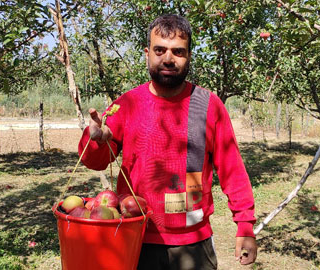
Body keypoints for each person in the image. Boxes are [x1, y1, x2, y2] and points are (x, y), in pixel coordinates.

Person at [78, 14, 257, 270]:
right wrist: (95, 140)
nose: (168, 59)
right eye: (159, 50)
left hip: (193, 244)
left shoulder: (209, 105)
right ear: (147, 53)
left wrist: (245, 225)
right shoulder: (126, 105)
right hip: (134, 236)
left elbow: (232, 170)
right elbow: (93, 161)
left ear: (189, 56)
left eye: (178, 51)